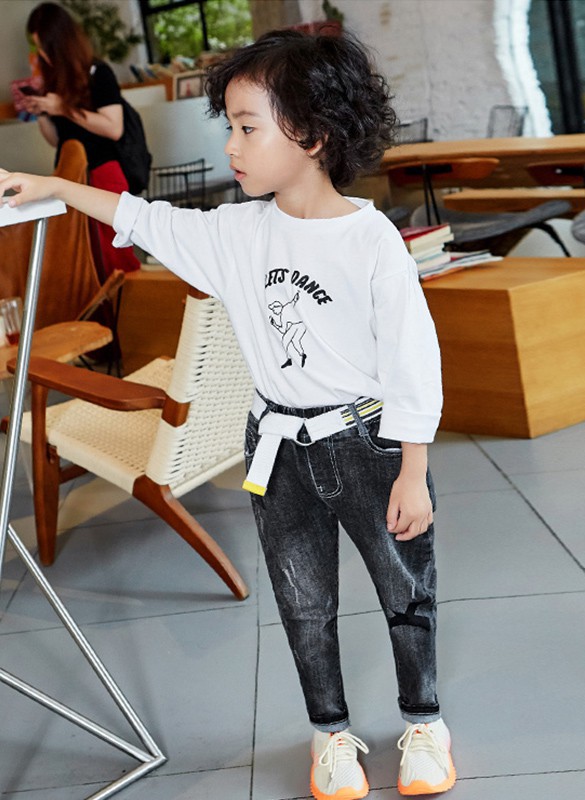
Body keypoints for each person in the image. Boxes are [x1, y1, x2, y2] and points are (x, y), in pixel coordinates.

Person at [0, 29, 455, 799]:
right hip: (277, 446)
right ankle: (329, 735)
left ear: (312, 135)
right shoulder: (237, 231)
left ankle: (425, 722)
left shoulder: (370, 240)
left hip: (367, 442)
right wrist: (51, 186)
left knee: (404, 588)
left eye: (248, 127)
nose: (231, 146)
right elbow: (141, 217)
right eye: (231, 127)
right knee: (303, 603)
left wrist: (413, 469)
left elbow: (414, 359)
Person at [22, 1, 139, 278]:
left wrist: (63, 108)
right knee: (84, 262)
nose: (41, 54)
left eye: (44, 47)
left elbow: (113, 128)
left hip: (103, 172)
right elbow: (57, 141)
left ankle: (129, 305)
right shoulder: (55, 81)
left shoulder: (98, 73)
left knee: (116, 259)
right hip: (69, 175)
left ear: (60, 42)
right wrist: (42, 112)